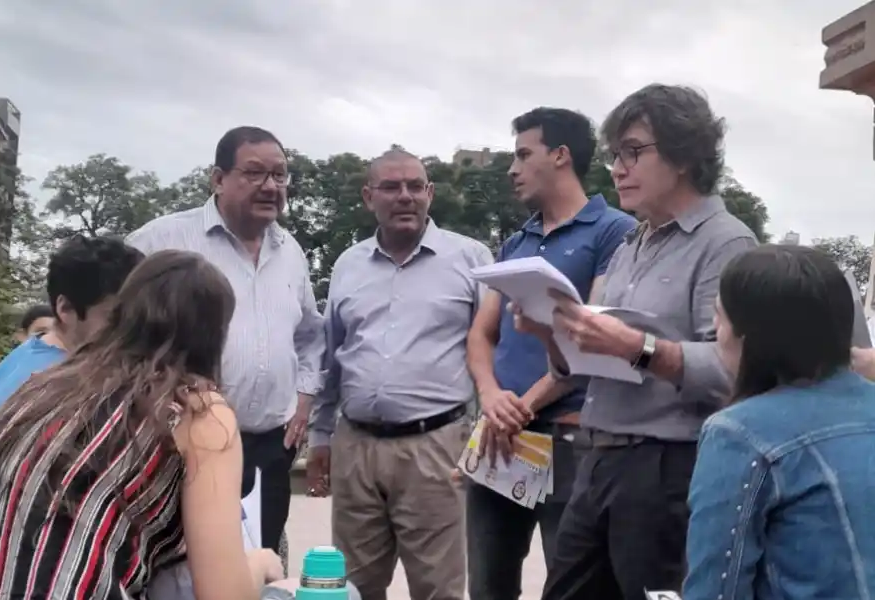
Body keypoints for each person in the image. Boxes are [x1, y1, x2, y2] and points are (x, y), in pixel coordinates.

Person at [514, 84, 758, 600]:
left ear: (686, 154)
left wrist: (636, 346)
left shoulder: (727, 243)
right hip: (596, 457)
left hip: (666, 469)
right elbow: (578, 370)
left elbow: (736, 373)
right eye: (614, 155)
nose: (617, 168)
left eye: (634, 152)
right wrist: (550, 334)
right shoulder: (633, 241)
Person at [0, 250, 284, 599]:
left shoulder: (43, 385)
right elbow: (225, 594)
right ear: (215, 334)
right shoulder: (196, 411)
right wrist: (260, 564)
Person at [127, 126, 326, 553]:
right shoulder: (161, 242)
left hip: (270, 449)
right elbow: (113, 329)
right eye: (254, 173)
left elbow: (311, 335)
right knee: (176, 568)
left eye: (280, 175)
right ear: (218, 178)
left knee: (258, 564)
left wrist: (305, 398)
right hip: (180, 448)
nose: (271, 186)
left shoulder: (290, 252)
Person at [465, 107, 636, 600]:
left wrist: (522, 406)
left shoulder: (614, 232)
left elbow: (597, 334)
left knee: (573, 584)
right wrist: (491, 396)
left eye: (523, 154)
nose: (512, 169)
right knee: (488, 584)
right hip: (500, 436)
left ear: (561, 156)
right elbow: (482, 334)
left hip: (570, 436)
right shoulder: (516, 242)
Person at [306, 148, 493, 600]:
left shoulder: (472, 259)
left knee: (438, 588)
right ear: (369, 196)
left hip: (437, 447)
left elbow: (494, 349)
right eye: (391, 187)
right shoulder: (348, 265)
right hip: (356, 446)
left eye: (415, 186)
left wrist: (487, 430)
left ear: (430, 193)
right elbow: (332, 356)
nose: (405, 196)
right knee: (351, 586)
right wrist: (320, 436)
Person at [683, 245, 875, 599]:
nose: (714, 330)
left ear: (749, 336)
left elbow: (716, 589)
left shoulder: (739, 433)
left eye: (719, 316)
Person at [0, 235, 144, 440]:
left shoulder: (28, 356)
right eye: (114, 316)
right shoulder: (58, 382)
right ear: (65, 308)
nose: (130, 329)